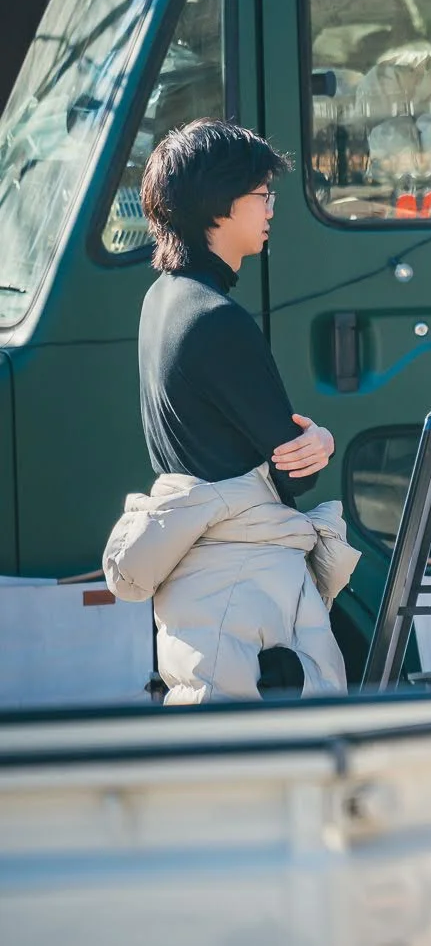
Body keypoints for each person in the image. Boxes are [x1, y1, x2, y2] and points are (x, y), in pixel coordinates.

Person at [102, 120, 352, 703]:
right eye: (262, 195)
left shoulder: (162, 299)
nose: (270, 208)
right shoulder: (218, 318)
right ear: (220, 205)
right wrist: (318, 440)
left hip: (197, 576)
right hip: (250, 587)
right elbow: (294, 468)